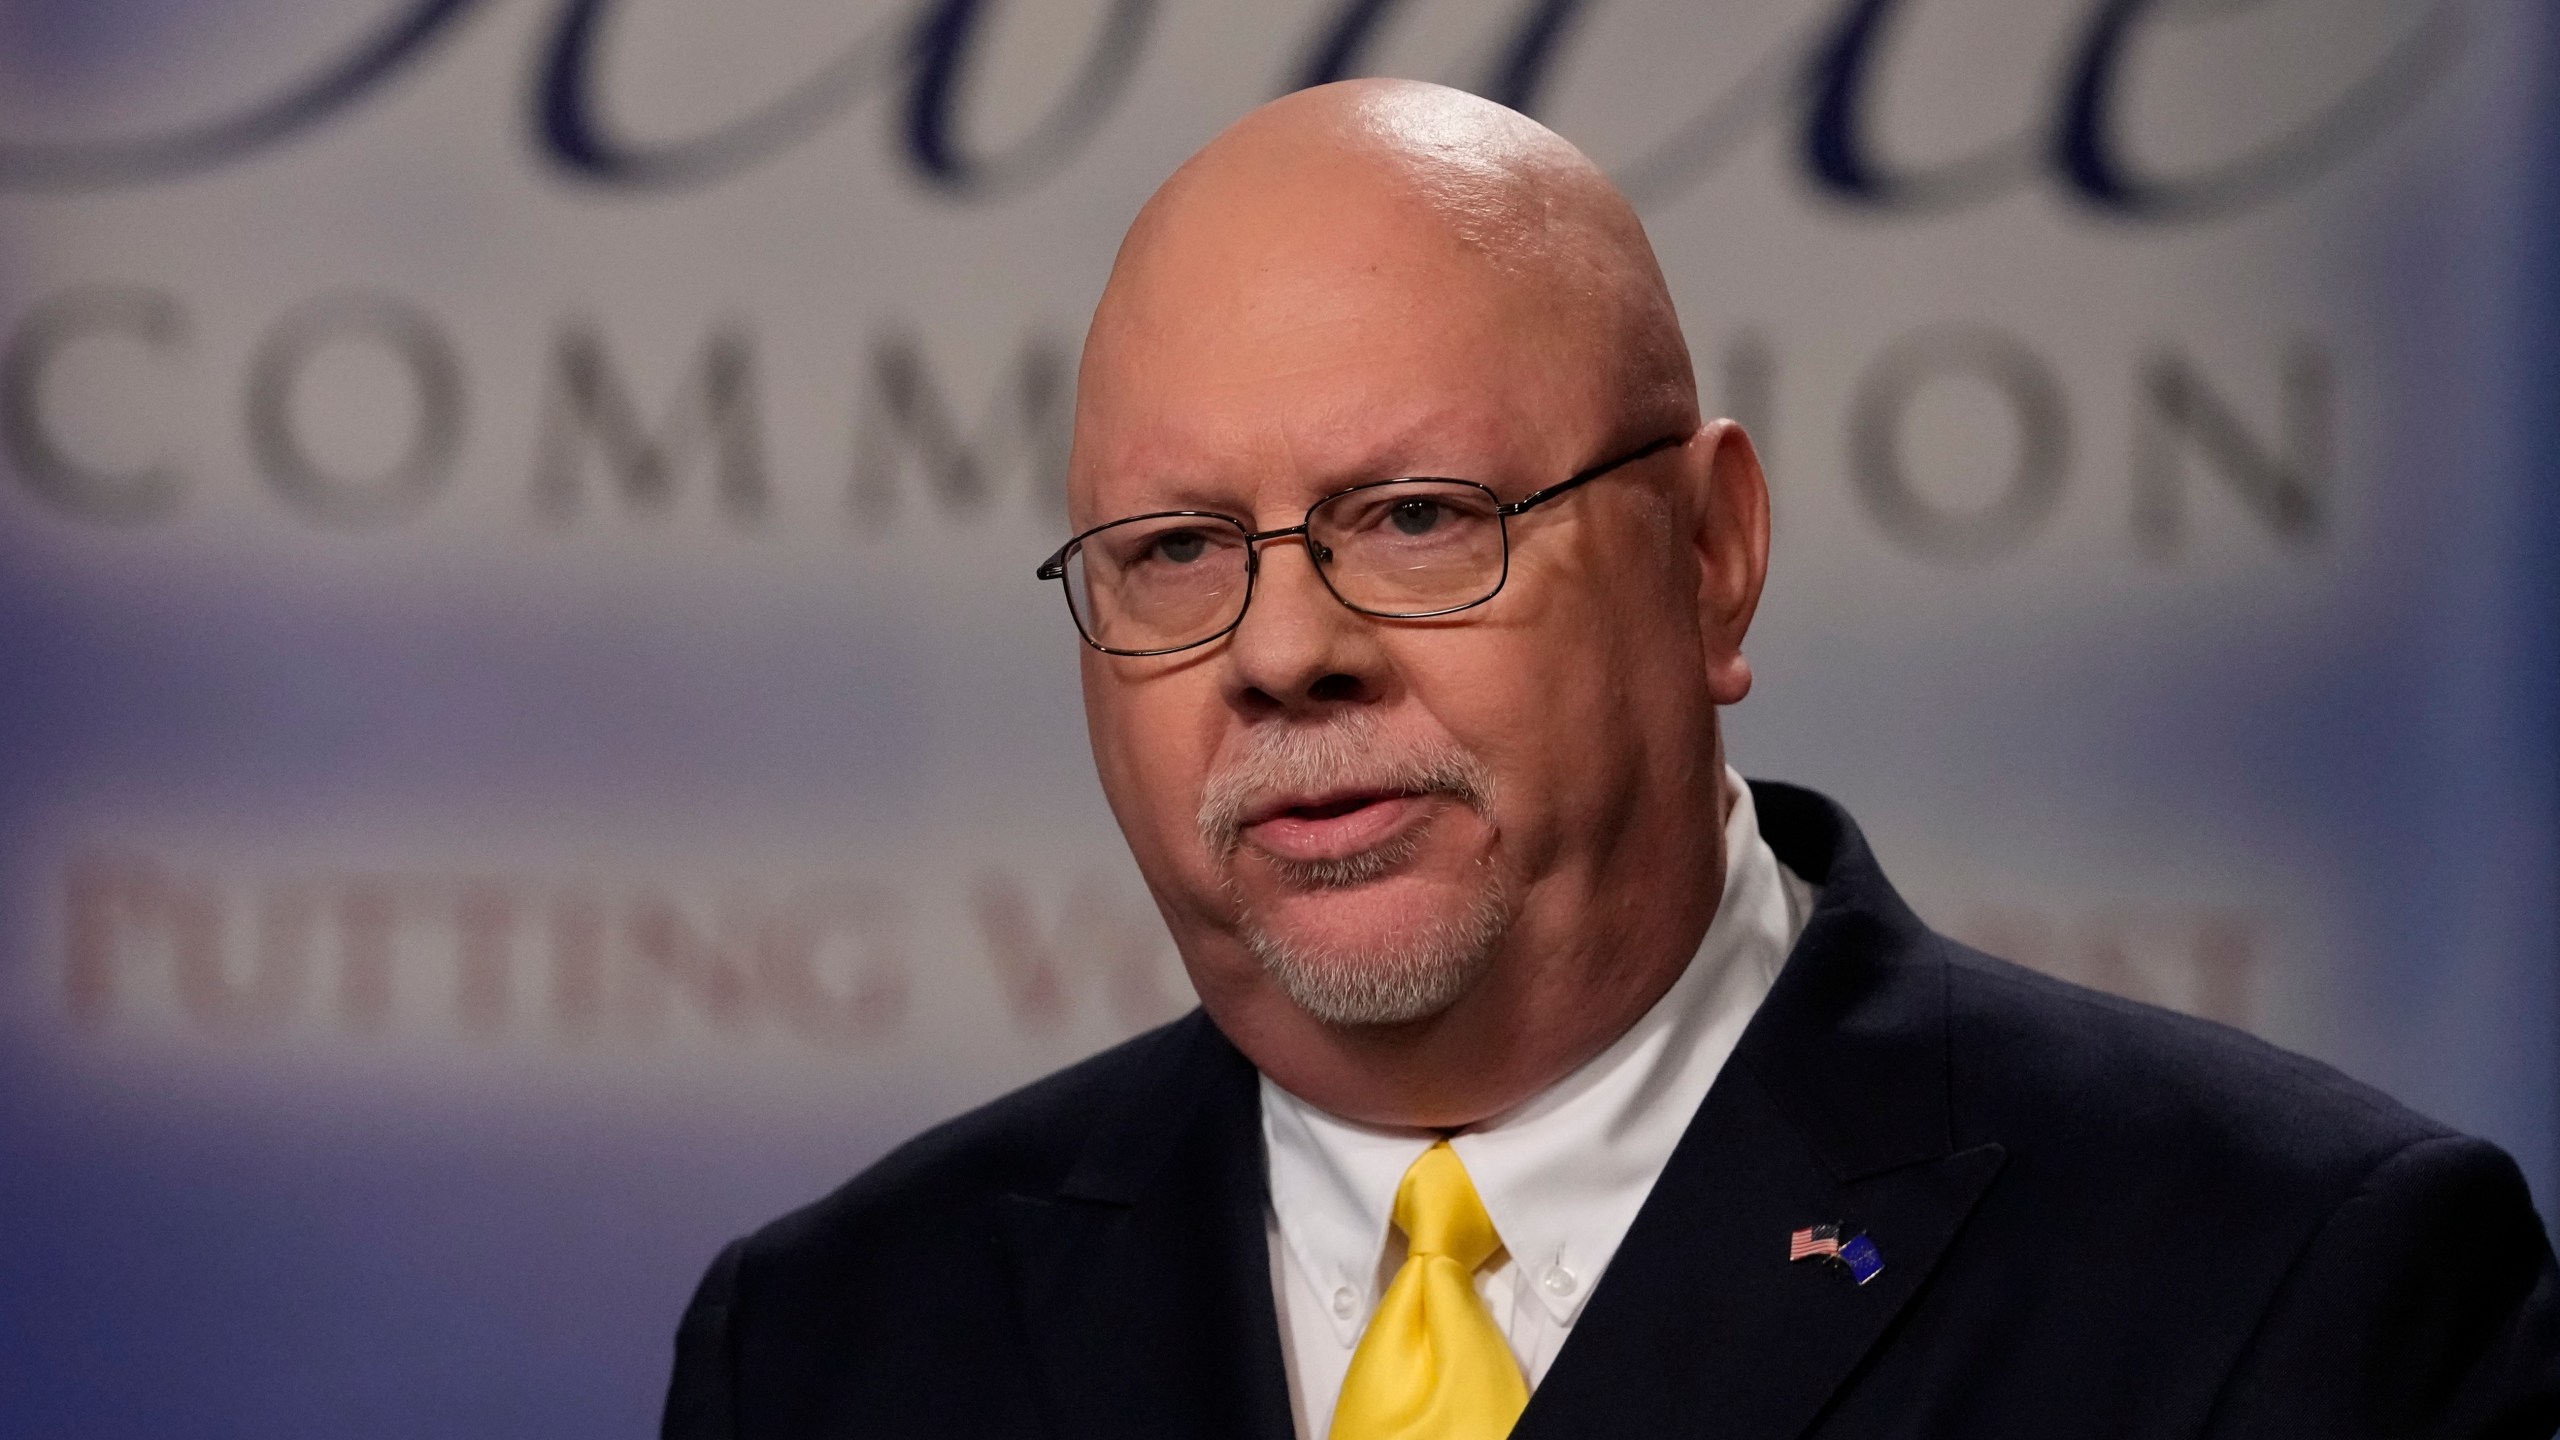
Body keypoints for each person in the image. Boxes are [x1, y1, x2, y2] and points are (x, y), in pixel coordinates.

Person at [661, 79, 2560, 1440]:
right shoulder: (830, 1344)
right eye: (1175, 554)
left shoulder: (2294, 1287)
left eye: (1413, 515)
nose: (1285, 650)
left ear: (1714, 555)